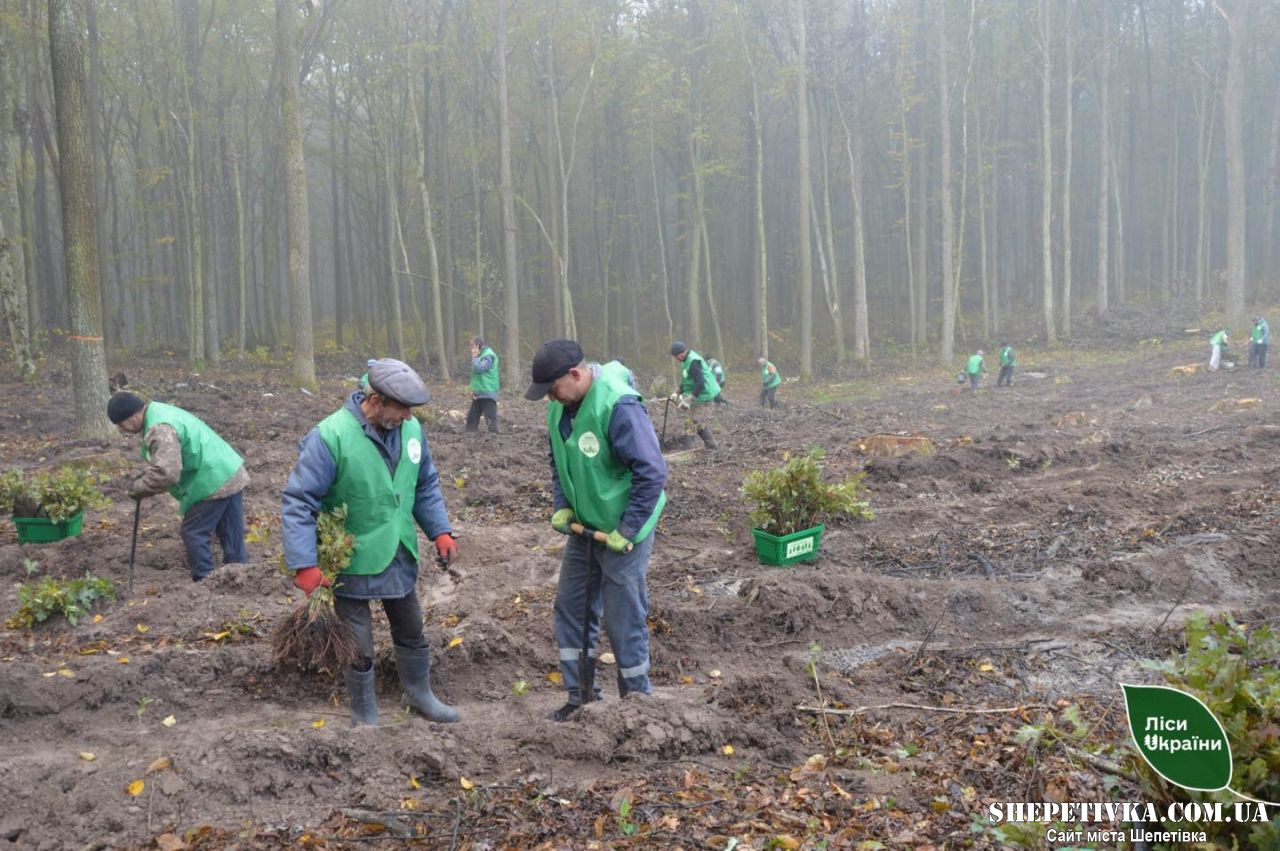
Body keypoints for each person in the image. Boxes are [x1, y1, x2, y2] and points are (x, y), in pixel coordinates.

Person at [281, 358, 460, 727]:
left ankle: (419, 694)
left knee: (411, 626)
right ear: (376, 400)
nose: (410, 417)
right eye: (403, 408)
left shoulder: (411, 433)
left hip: (399, 550)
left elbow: (424, 483)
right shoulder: (330, 436)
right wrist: (305, 564)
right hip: (352, 557)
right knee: (358, 641)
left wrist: (439, 529)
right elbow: (299, 501)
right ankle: (364, 713)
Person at [523, 340, 668, 722]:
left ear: (575, 374)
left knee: (623, 616)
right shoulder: (560, 405)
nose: (550, 398)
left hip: (624, 530)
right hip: (585, 526)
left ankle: (637, 706)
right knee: (571, 607)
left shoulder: (618, 406)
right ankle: (581, 697)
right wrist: (562, 505)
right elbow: (560, 460)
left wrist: (629, 528)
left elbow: (652, 472)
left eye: (553, 389)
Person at [107, 393, 249, 583]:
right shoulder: (160, 410)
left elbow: (167, 473)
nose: (121, 429)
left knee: (194, 532)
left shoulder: (159, 428)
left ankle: (204, 582)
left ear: (132, 416)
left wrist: (140, 487)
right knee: (230, 531)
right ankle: (241, 576)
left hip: (211, 480)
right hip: (229, 470)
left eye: (121, 423)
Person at [669, 341, 721, 449]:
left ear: (681, 354)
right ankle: (706, 446)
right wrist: (676, 392)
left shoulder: (693, 362)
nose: (676, 359)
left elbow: (700, 383)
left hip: (704, 394)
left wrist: (689, 400)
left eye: (676, 357)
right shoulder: (685, 361)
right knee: (694, 421)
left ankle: (694, 448)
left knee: (693, 421)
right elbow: (687, 381)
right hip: (699, 394)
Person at [466, 336, 500, 433]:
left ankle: (495, 441)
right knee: (471, 421)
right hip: (479, 393)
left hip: (488, 392)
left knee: (491, 422)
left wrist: (475, 357)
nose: (471, 349)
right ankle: (469, 439)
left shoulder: (489, 356)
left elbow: (480, 369)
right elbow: (477, 377)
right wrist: (474, 390)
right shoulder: (481, 355)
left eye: (472, 346)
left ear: (478, 346)